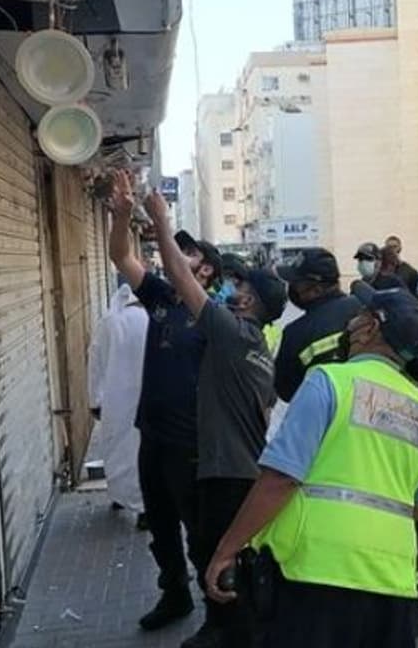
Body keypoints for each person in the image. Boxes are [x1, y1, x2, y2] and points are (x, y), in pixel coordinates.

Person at [203, 283, 418, 648]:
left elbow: (280, 480)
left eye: (358, 315)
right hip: (393, 582)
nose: (350, 322)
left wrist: (227, 549)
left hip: (316, 575)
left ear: (370, 327)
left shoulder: (330, 382)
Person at [140, 178, 287, 648]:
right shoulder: (256, 345)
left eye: (240, 284)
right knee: (215, 551)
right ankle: (224, 629)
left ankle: (233, 634)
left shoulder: (235, 334)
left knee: (218, 554)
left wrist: (162, 223)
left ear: (250, 302)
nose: (232, 287)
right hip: (236, 466)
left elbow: (182, 281)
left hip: (227, 471)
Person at [107, 177, 221, 631]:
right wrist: (120, 216)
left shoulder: (213, 313)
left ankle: (217, 613)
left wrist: (162, 220)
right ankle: (174, 594)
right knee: (160, 524)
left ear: (207, 270)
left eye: (189, 253)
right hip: (151, 434)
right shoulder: (160, 296)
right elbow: (121, 256)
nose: (178, 255)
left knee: (199, 531)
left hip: (190, 440)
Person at [88, 283, 149, 518]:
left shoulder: (108, 322)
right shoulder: (151, 319)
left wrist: (95, 399)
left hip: (115, 399)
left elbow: (94, 362)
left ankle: (119, 496)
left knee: (117, 451)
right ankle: (145, 508)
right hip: (147, 397)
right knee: (142, 452)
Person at [273, 248, 362, 402]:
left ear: (316, 289)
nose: (292, 288)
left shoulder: (296, 333)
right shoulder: (363, 308)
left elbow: (286, 391)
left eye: (296, 283)